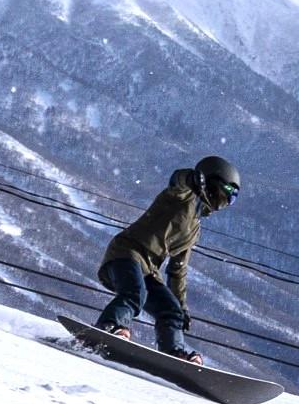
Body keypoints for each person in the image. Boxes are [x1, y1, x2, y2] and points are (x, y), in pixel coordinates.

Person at [92, 155, 241, 365]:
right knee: (135, 294)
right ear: (211, 182)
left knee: (171, 311)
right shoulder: (183, 195)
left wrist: (182, 307)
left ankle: (174, 352)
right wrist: (190, 178)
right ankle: (109, 326)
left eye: (232, 198)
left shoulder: (195, 230)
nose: (225, 202)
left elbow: (177, 269)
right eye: (226, 193)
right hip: (127, 253)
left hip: (148, 269)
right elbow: (176, 180)